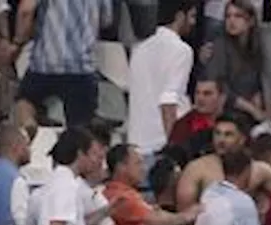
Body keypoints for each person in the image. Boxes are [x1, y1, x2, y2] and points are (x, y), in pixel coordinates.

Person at [11, 0, 112, 129]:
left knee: (24, 103)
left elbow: (26, 10)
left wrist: (18, 42)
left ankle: (28, 129)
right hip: (82, 68)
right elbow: (106, 20)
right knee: (80, 129)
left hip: (45, 63)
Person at [127, 0, 196, 160]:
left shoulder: (139, 48)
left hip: (136, 144)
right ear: (180, 16)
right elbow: (168, 101)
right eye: (192, 16)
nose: (193, 23)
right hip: (161, 145)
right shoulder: (181, 50)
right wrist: (173, 148)